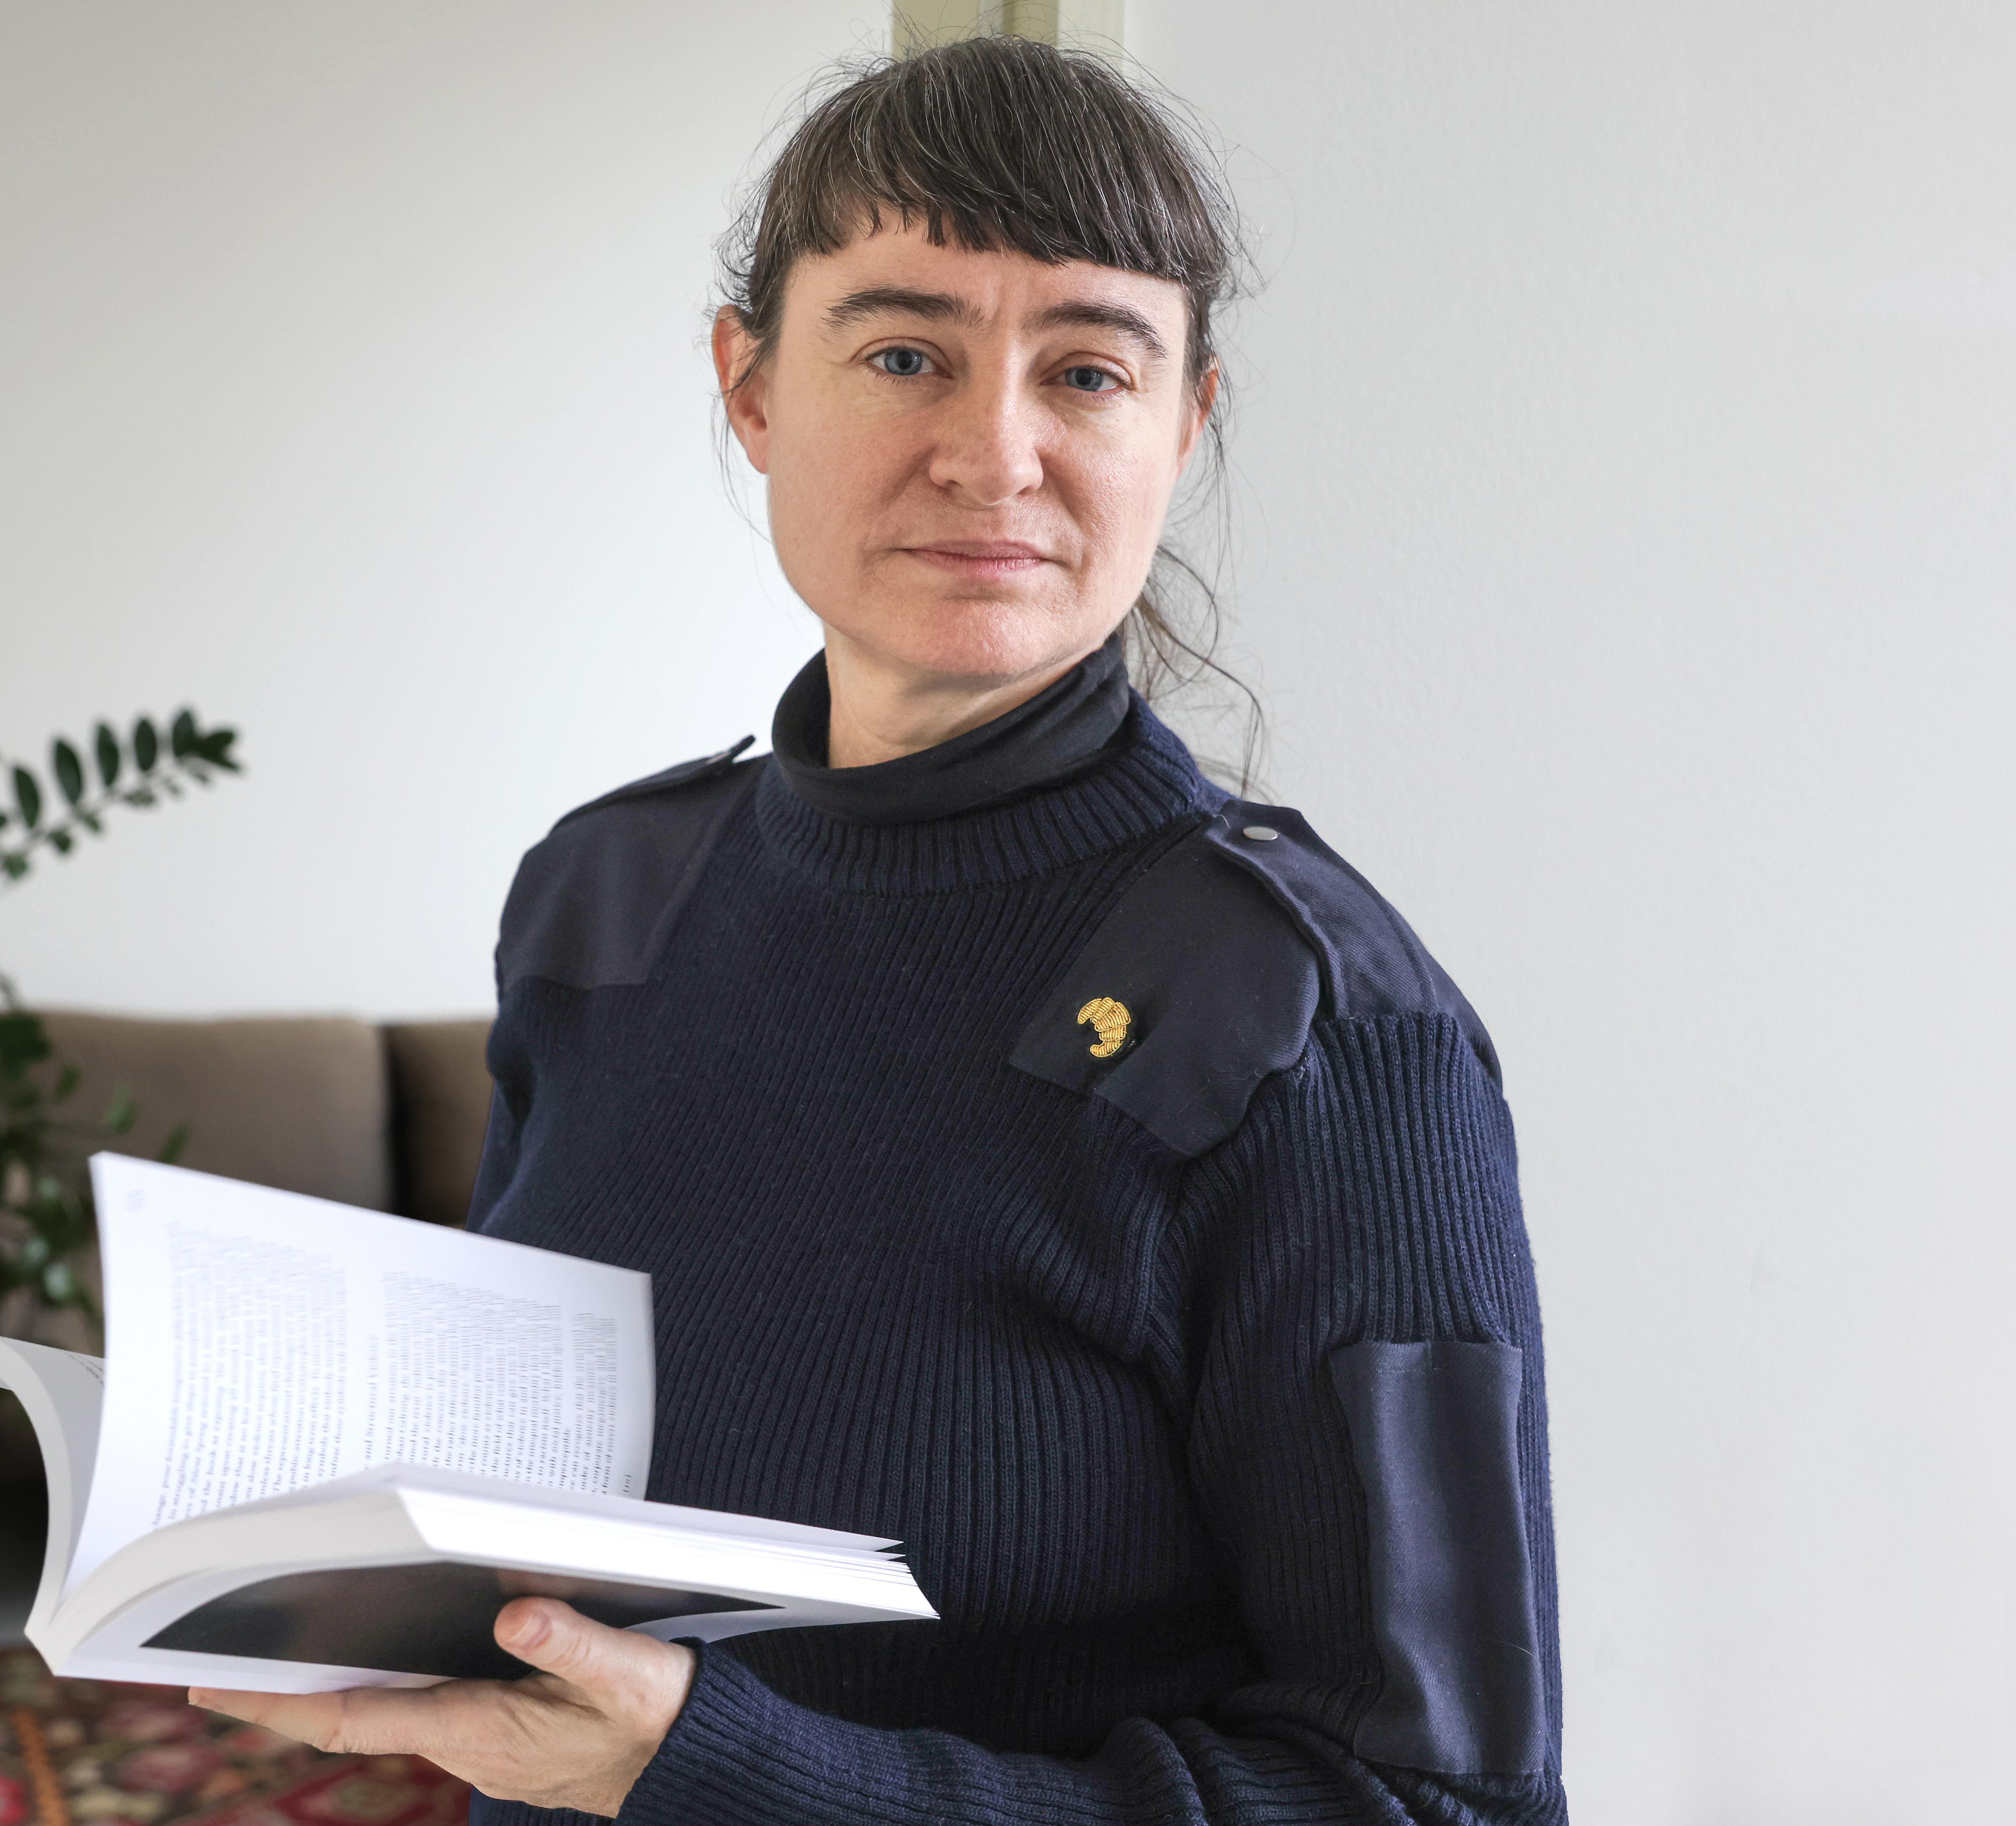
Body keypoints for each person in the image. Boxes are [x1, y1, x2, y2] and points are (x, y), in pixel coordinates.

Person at [189, 36, 1563, 1826]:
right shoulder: (605, 895)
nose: (993, 454)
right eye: (904, 354)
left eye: (1087, 370)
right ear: (749, 388)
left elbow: (1437, 1806)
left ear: (1183, 425)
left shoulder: (1310, 1028)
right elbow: (525, 1543)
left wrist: (722, 1767)